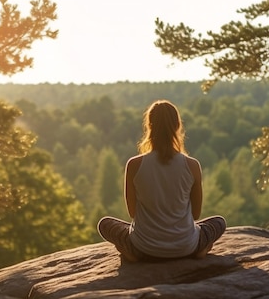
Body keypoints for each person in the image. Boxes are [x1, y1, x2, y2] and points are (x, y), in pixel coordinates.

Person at [97, 99, 226, 262]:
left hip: (144, 246)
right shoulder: (192, 165)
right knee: (219, 222)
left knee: (105, 224)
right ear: (177, 126)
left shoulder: (134, 164)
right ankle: (200, 250)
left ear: (149, 126)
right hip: (185, 246)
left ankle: (133, 253)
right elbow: (195, 214)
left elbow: (132, 213)